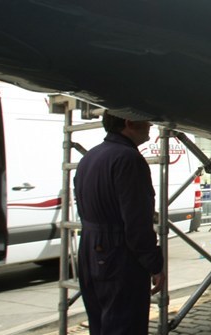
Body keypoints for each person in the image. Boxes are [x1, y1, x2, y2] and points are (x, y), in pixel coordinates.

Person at [74, 111, 165, 334]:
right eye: (146, 120)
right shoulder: (128, 159)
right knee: (125, 324)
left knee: (100, 324)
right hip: (118, 255)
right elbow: (137, 222)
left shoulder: (91, 156)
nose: (150, 125)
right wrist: (154, 264)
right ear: (129, 122)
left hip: (90, 248)